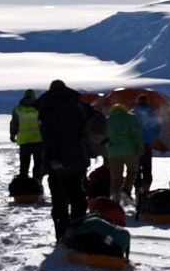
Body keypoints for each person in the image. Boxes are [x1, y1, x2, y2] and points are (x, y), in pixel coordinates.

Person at [34, 79, 99, 241]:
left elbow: (47, 137)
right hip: (78, 160)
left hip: (56, 163)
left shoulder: (45, 108)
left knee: (59, 201)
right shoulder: (79, 105)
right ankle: (77, 233)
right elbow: (96, 121)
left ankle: (62, 235)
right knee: (78, 198)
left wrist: (50, 159)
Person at [104, 103, 144, 204]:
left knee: (115, 178)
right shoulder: (130, 118)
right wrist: (140, 147)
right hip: (129, 150)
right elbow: (136, 134)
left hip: (113, 152)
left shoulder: (107, 120)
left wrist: (105, 155)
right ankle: (126, 189)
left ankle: (115, 200)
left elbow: (105, 139)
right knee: (133, 171)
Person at [9, 89, 44, 180]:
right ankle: (37, 183)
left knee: (24, 164)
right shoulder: (40, 108)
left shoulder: (18, 109)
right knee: (38, 163)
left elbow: (14, 123)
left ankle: (24, 184)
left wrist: (13, 135)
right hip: (38, 140)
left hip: (24, 141)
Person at [132, 94, 161, 198]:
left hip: (134, 146)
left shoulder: (133, 113)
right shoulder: (152, 114)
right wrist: (150, 138)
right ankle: (146, 189)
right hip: (147, 145)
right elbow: (157, 129)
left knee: (136, 169)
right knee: (147, 168)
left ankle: (137, 190)